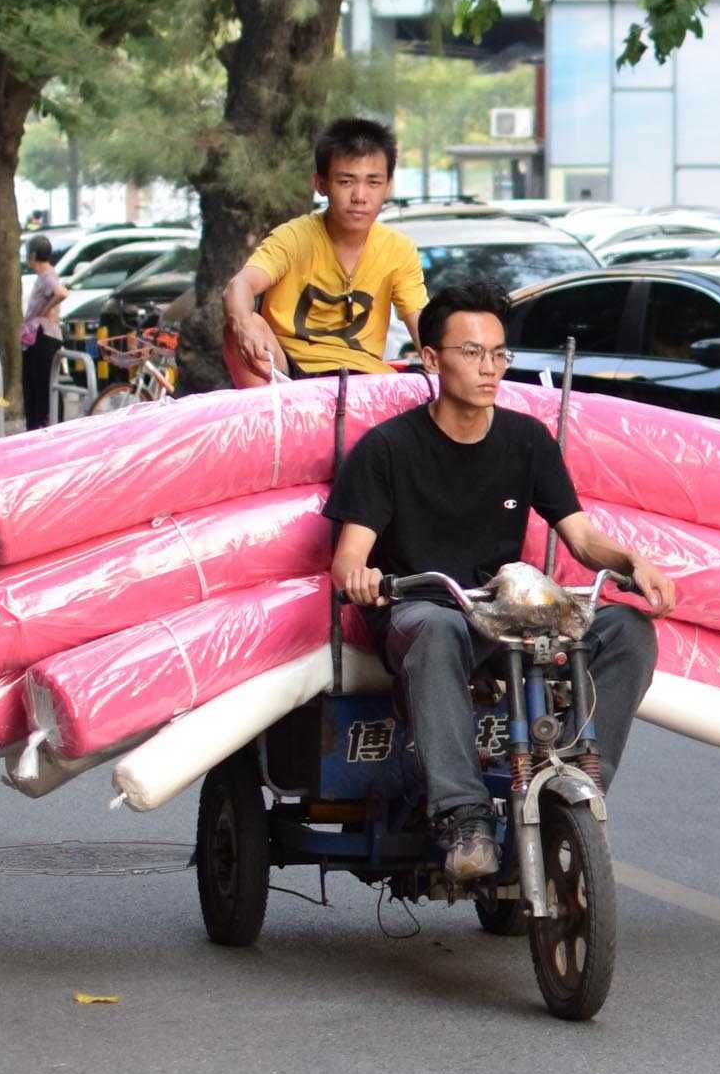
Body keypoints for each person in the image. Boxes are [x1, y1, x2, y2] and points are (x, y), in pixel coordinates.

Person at [325, 279, 677, 882]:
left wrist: (631, 562)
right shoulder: (388, 448)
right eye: (471, 353)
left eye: (498, 354)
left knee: (627, 631)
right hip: (424, 612)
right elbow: (347, 558)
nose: (489, 368)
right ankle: (463, 816)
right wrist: (361, 578)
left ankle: (577, 779)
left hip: (505, 614)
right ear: (432, 359)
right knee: (436, 628)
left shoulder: (526, 440)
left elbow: (583, 539)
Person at [222, 117, 428, 384]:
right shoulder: (293, 237)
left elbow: (422, 325)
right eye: (346, 181)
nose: (360, 196)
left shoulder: (398, 249)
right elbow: (239, 286)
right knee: (237, 326)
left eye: (373, 183)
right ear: (321, 184)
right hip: (288, 374)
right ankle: (271, 419)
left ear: (388, 185)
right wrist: (243, 325)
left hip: (364, 378)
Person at [18, 233, 66, 430]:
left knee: (40, 384)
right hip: (44, 336)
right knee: (42, 383)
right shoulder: (46, 274)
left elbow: (61, 293)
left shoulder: (46, 275)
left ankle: (42, 425)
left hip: (43, 338)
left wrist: (44, 311)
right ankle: (43, 424)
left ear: (33, 255)